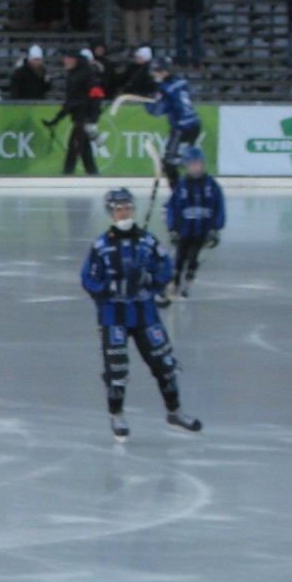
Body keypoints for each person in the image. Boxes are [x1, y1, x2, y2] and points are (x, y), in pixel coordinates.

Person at [81, 189, 201, 440]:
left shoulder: (147, 241)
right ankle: (117, 415)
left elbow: (165, 268)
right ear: (111, 213)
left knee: (164, 363)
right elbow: (88, 279)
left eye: (128, 207)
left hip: (145, 313)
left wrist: (149, 280)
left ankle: (174, 411)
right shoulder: (101, 246)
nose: (124, 213)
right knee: (117, 368)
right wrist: (110, 287)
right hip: (114, 315)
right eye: (119, 209)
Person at [113, 56, 202, 186]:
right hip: (194, 124)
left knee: (170, 163)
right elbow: (178, 102)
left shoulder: (165, 88)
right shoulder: (181, 82)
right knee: (186, 161)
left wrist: (149, 103)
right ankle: (188, 192)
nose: (154, 75)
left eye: (155, 71)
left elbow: (156, 111)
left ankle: (178, 196)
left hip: (182, 128)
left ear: (162, 71)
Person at [161, 146, 225, 303]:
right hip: (184, 231)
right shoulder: (181, 186)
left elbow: (219, 207)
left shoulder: (212, 185)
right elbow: (172, 209)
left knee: (194, 257)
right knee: (179, 258)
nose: (196, 167)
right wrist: (172, 229)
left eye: (198, 164)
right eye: (192, 164)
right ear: (186, 166)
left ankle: (187, 282)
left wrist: (216, 229)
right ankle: (174, 282)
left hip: (202, 231)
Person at [47, 50, 106, 176]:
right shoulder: (76, 74)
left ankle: (68, 173)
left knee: (75, 147)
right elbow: (72, 101)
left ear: (74, 60)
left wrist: (92, 117)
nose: (65, 61)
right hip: (80, 116)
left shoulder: (84, 75)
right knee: (84, 150)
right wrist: (57, 118)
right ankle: (92, 173)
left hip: (83, 117)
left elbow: (96, 96)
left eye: (67, 58)